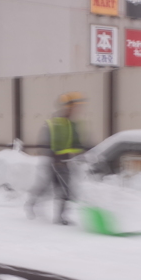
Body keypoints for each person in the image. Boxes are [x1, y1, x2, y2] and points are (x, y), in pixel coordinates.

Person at [26, 92, 86, 224]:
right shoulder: (53, 123)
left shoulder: (73, 124)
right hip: (52, 162)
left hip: (65, 162)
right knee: (46, 187)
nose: (76, 109)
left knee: (65, 189)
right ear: (66, 107)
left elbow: (77, 144)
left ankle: (61, 217)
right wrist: (54, 158)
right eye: (73, 106)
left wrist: (83, 154)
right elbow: (44, 143)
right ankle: (31, 203)